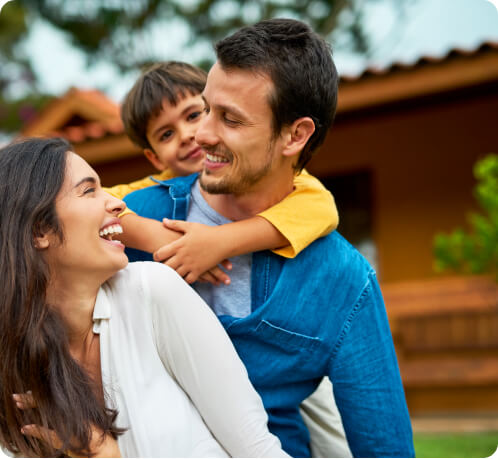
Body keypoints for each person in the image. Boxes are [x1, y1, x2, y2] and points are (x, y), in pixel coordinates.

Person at [124, 18, 415, 458]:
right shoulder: (135, 216)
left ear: (295, 136)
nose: (200, 136)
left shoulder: (343, 281)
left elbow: (385, 447)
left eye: (231, 120)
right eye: (206, 108)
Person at [0, 137, 288, 458]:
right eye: (88, 190)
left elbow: (258, 450)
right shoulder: (10, 378)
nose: (117, 204)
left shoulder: (151, 292)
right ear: (40, 230)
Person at [106, 61, 339, 287]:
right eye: (166, 134)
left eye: (193, 116)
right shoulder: (157, 188)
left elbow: (322, 208)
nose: (187, 135)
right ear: (154, 158)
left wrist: (221, 241)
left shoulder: (275, 172)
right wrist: (161, 238)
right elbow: (93, 201)